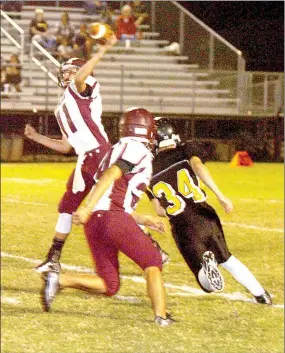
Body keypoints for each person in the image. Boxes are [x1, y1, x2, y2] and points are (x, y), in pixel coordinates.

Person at [40, 108, 174, 326]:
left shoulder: (115, 149)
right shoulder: (136, 148)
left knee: (109, 284)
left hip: (96, 221)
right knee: (152, 261)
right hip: (111, 217)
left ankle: (59, 280)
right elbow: (113, 176)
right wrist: (86, 207)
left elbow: (111, 194)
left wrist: (141, 219)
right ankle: (161, 316)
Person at [146, 118, 272, 305]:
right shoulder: (185, 150)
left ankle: (207, 266)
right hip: (205, 214)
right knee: (227, 258)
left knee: (207, 285)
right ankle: (261, 294)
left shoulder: (148, 169)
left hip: (182, 224)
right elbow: (198, 167)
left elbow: (159, 210)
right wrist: (220, 195)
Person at [24, 36, 118, 275]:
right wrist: (36, 137)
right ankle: (53, 258)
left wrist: (102, 50)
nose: (67, 75)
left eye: (71, 71)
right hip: (85, 158)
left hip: (98, 154)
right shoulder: (65, 102)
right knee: (67, 206)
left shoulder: (81, 89)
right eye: (64, 72)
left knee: (110, 207)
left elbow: (80, 78)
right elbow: (66, 146)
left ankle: (152, 247)